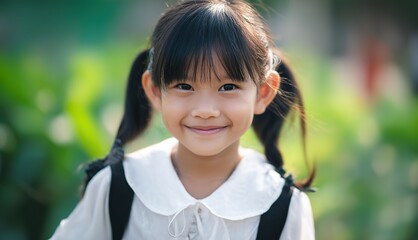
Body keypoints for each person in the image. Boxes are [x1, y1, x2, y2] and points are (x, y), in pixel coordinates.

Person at [51, 0, 316, 239]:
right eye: (184, 86)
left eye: (228, 87)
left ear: (263, 92)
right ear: (154, 91)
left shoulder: (281, 206)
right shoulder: (118, 187)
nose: (205, 110)